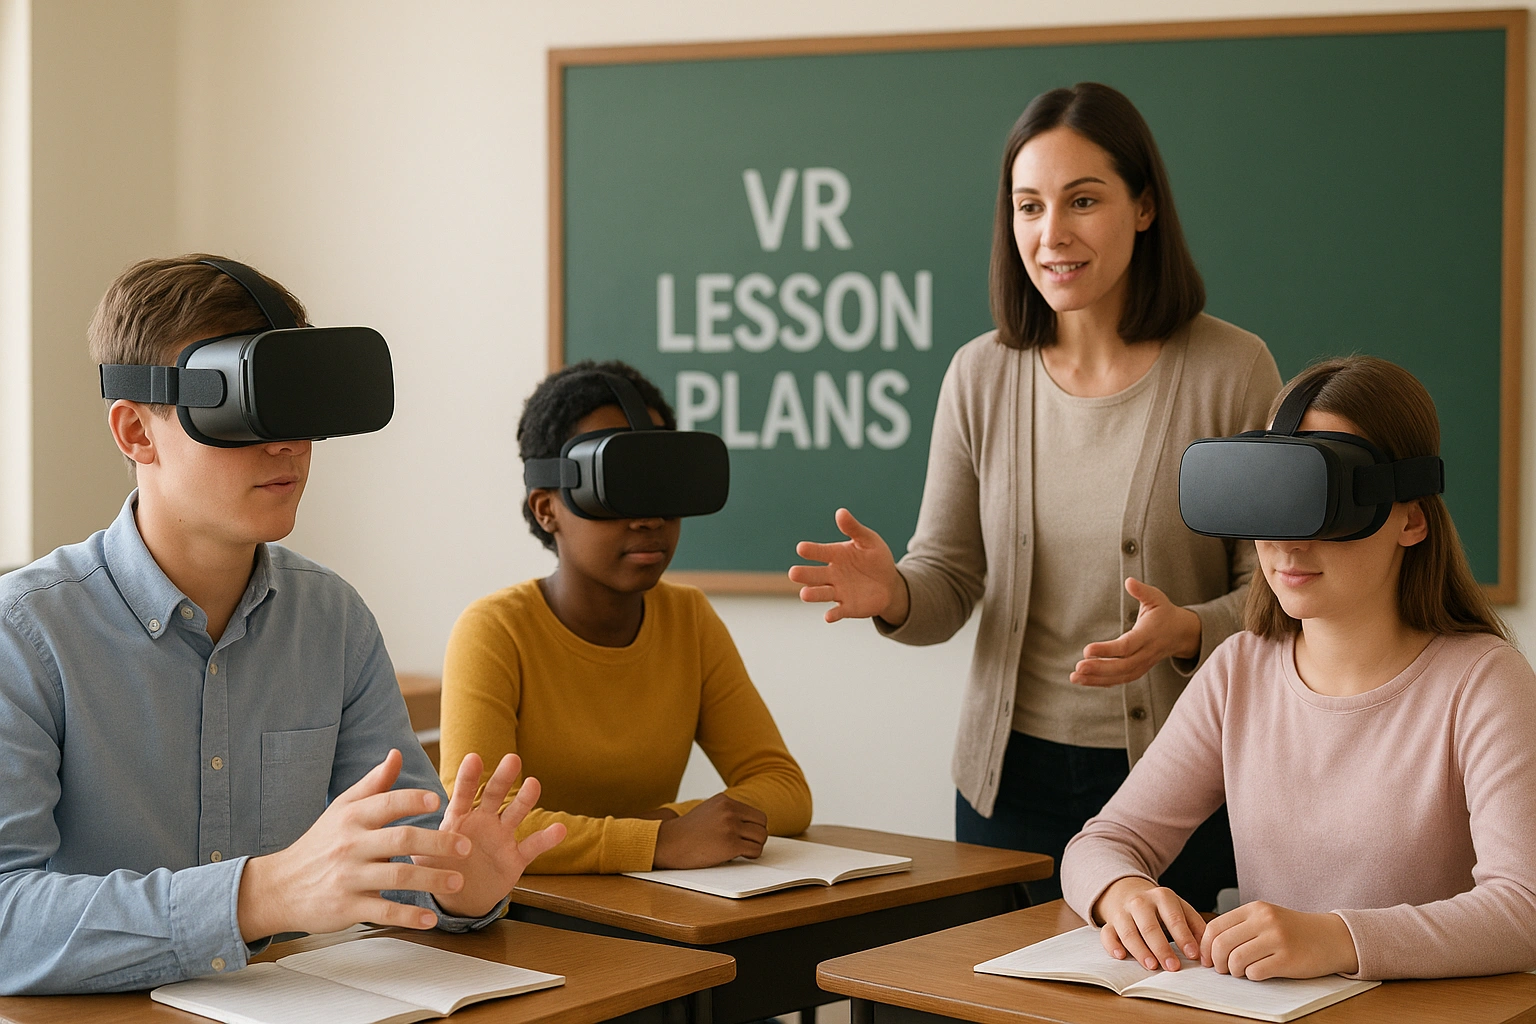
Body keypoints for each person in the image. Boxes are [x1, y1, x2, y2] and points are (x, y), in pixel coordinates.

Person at [0, 256, 565, 995]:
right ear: (136, 431)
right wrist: (256, 897)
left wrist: (458, 885)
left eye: (297, 404)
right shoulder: (27, 636)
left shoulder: (333, 623)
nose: (288, 444)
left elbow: (399, 863)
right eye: (240, 408)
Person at [790, 83, 1280, 907]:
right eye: (1028, 206)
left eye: (1082, 201)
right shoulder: (979, 375)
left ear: (1145, 207)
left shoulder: (1233, 372)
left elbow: (1274, 590)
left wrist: (1189, 630)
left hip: (1179, 778)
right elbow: (948, 579)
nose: (1051, 234)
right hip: (1005, 783)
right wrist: (897, 594)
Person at [1063, 356, 1536, 981]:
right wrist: (1122, 895)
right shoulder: (1238, 673)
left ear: (1411, 518)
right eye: (1273, 499)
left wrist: (1339, 939)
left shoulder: (1483, 685)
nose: (1287, 543)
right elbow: (1102, 841)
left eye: (1325, 504)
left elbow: (1524, 909)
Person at [438, 360, 812, 874]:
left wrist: (658, 827)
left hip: (647, 905)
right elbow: (482, 826)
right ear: (547, 508)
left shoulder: (689, 619)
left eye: (661, 484)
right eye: (618, 484)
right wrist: (660, 842)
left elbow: (785, 787)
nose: (649, 518)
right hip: (523, 919)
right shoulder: (495, 631)